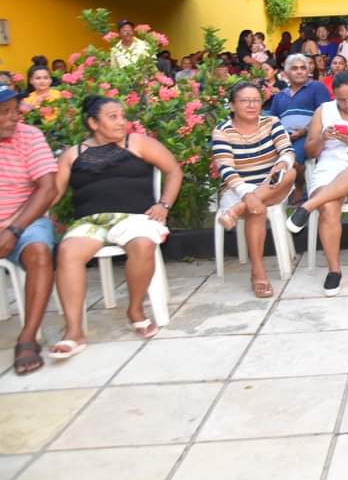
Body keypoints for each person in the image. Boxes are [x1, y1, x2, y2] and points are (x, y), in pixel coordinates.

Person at [49, 96, 182, 356]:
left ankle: (135, 308)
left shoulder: (138, 143)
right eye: (113, 117)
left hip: (134, 217)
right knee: (67, 253)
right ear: (93, 123)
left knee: (143, 243)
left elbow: (174, 171)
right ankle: (74, 331)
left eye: (122, 116)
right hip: (90, 221)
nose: (122, 121)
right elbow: (53, 192)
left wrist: (164, 205)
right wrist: (41, 214)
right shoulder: (71, 155)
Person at [286, 71, 348, 294]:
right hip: (328, 172)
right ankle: (334, 271)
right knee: (329, 206)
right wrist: (323, 138)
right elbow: (309, 151)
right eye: (341, 99)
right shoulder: (323, 112)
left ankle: (306, 207)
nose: (347, 103)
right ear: (334, 96)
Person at [212, 82, 298, 297]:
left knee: (291, 172)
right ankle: (258, 272)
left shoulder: (272, 122)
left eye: (256, 100)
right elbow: (226, 170)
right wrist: (246, 195)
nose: (252, 105)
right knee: (256, 208)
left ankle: (238, 210)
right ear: (232, 105)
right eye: (245, 101)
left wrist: (282, 163)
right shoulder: (222, 131)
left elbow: (287, 150)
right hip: (237, 188)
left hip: (272, 184)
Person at [0, 86, 58, 374]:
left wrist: (13, 229)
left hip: (25, 219)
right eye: (5, 112)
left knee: (38, 251)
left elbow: (48, 189)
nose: (15, 116)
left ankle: (28, 337)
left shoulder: (29, 136)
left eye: (15, 109)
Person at [267, 54, 331, 194]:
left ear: (308, 71)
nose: (300, 71)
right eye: (295, 68)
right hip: (283, 138)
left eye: (303, 68)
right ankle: (270, 194)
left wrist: (304, 131)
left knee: (293, 159)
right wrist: (281, 136)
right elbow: (272, 121)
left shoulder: (316, 87)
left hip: (308, 136)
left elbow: (326, 113)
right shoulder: (280, 96)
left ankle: (299, 189)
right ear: (286, 73)